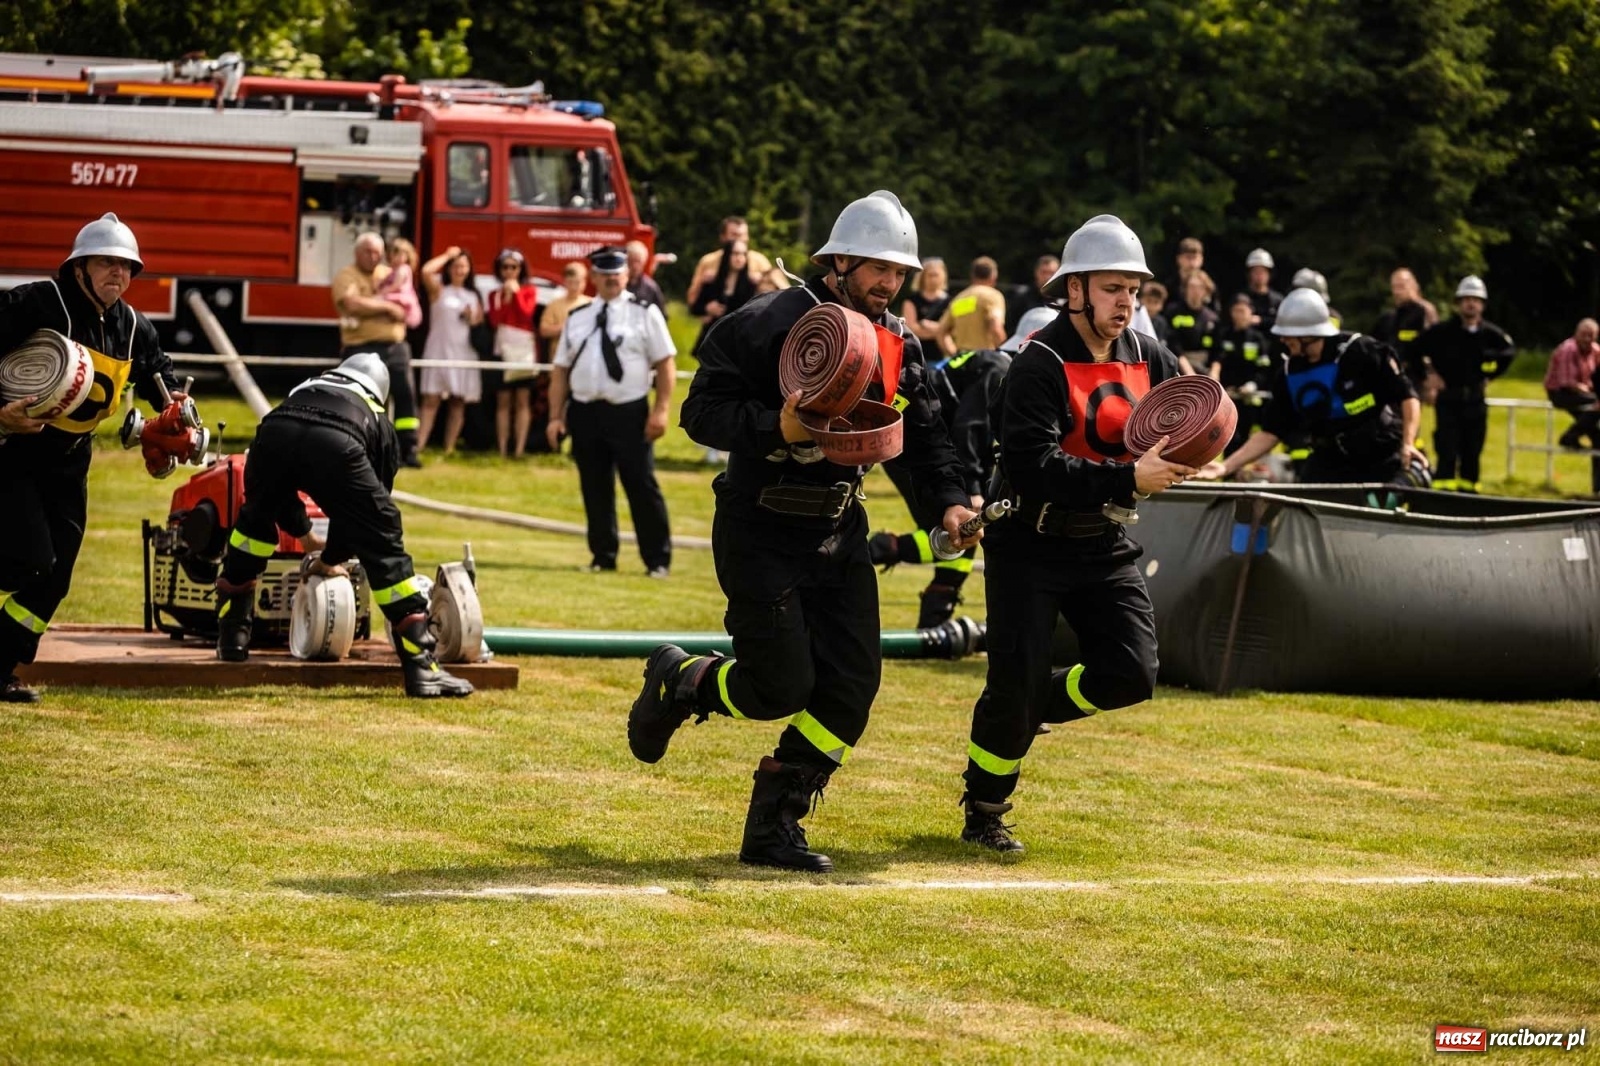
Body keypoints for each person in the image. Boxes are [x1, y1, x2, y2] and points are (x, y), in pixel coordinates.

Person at [629, 190, 979, 873]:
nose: (888, 284)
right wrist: (775, 427)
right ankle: (684, 680)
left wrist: (951, 506)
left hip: (840, 531)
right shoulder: (764, 322)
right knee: (778, 688)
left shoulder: (899, 342)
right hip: (759, 529)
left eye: (898, 273)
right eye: (877, 268)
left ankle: (775, 824)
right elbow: (701, 413)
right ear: (839, 258)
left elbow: (925, 439)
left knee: (852, 688)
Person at [958, 215, 1192, 854]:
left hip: (1103, 541)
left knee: (1132, 671)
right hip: (1030, 542)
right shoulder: (1037, 364)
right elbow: (1035, 467)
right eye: (1114, 288)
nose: (1127, 303)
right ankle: (984, 808)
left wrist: (1202, 439)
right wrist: (1128, 479)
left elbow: (1191, 409)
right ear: (1076, 289)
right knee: (1015, 678)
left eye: (1135, 291)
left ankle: (1034, 706)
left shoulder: (1153, 356)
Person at [213, 353, 473, 699]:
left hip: (273, 431)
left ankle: (232, 637)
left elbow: (281, 496)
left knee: (252, 527)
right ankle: (423, 668)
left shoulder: (305, 388)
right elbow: (364, 517)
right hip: (340, 441)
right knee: (383, 537)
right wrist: (332, 557)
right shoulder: (377, 416)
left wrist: (309, 539)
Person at [0, 213, 181, 703]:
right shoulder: (37, 302)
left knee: (55, 576)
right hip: (13, 453)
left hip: (70, 463)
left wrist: (179, 416)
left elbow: (161, 379)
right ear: (79, 266)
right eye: (106, 263)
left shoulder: (134, 328)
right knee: (28, 560)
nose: (117, 275)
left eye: (126, 267)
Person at [868, 311, 1025, 629]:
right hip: (920, 445)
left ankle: (934, 620)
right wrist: (973, 491)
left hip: (933, 446)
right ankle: (874, 551)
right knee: (955, 532)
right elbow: (969, 426)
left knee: (963, 536)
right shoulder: (1002, 370)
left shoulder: (1001, 366)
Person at [1199, 287, 1424, 484]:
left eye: (1289, 336)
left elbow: (1407, 395)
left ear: (1308, 335)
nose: (1283, 341)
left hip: (1380, 452)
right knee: (1306, 508)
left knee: (1396, 493)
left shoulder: (1362, 352)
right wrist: (1226, 466)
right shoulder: (1288, 374)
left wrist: (1408, 443)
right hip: (1331, 458)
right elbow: (1270, 432)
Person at [546, 247, 677, 576]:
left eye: (616, 274)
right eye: (604, 275)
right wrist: (555, 416)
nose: (611, 280)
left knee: (641, 485)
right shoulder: (579, 316)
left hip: (629, 411)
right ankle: (603, 556)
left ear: (625, 275)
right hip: (585, 411)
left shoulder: (644, 312)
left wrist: (661, 410)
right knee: (594, 486)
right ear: (593, 278)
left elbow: (665, 364)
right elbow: (560, 370)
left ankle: (657, 560)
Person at [1410, 276, 1516, 492]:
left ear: (1483, 304)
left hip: (1475, 401)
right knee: (1447, 450)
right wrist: (1428, 376)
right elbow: (1413, 351)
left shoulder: (1491, 334)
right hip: (1449, 399)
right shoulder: (1442, 332)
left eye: (1475, 299)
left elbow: (1509, 353)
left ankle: (1469, 497)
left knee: (1472, 452)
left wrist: (1491, 375)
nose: (1471, 304)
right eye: (1466, 299)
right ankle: (1443, 499)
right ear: (1458, 303)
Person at [332, 231, 421, 467]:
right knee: (361, 401)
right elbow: (351, 304)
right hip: (360, 348)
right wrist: (387, 308)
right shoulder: (346, 276)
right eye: (368, 252)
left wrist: (383, 307)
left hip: (396, 347)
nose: (374, 257)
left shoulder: (390, 273)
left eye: (378, 253)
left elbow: (405, 308)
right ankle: (361, 449)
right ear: (357, 253)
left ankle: (408, 449)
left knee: (406, 397)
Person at [416, 246, 484, 456]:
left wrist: (470, 316)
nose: (459, 270)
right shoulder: (439, 291)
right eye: (455, 266)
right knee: (431, 401)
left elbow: (478, 322)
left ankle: (448, 449)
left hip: (463, 352)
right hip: (439, 349)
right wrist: (447, 255)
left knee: (458, 402)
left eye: (463, 266)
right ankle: (417, 446)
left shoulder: (473, 295)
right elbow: (426, 271)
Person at [487, 248, 540, 458]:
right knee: (503, 401)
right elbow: (494, 320)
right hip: (503, 350)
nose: (509, 271)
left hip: (523, 351)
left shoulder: (529, 291)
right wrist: (506, 298)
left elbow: (527, 314)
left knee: (522, 400)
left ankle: (519, 449)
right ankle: (502, 448)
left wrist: (516, 294)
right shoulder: (495, 295)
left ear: (520, 269)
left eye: (513, 267)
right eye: (505, 267)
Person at [1209, 293, 1274, 454]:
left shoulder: (1258, 338)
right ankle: (1227, 473)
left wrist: (1252, 385)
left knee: (1246, 433)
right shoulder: (1224, 335)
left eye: (1243, 311)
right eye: (1237, 311)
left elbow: (1264, 368)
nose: (1240, 315)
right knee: (1227, 433)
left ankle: (1242, 472)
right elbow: (1216, 360)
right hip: (1228, 394)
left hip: (1249, 395)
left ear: (1251, 313)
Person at [1544, 318, 1600, 494]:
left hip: (1584, 393)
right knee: (1595, 403)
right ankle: (1570, 435)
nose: (1587, 339)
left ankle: (1597, 489)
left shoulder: (1596, 351)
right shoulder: (1568, 349)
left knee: (1598, 440)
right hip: (1561, 392)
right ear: (1576, 334)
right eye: (1584, 334)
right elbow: (1566, 381)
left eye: (1591, 335)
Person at [685, 216, 778, 309]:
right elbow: (692, 298)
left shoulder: (759, 261)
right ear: (723, 236)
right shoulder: (709, 261)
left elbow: (774, 296)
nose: (739, 239)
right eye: (734, 235)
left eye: (743, 235)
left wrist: (761, 282)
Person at [689, 239, 760, 354]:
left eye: (743, 254)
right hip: (713, 340)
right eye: (735, 253)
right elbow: (694, 308)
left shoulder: (751, 285)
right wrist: (707, 308)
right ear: (727, 255)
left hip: (738, 342)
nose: (739, 258)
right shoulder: (712, 281)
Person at [1373, 267, 1439, 388]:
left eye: (1401, 286)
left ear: (1413, 286)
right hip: (1393, 377)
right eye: (1394, 287)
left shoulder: (1424, 311)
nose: (1397, 292)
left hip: (1418, 378)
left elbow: (1435, 347)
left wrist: (1432, 377)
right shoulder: (1390, 317)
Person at [938, 256, 1008, 355]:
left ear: (972, 275)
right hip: (986, 359)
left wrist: (953, 354)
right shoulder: (993, 296)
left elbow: (941, 332)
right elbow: (996, 327)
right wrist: (1004, 353)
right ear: (993, 276)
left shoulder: (959, 298)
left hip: (963, 358)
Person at [1165, 271, 1220, 371]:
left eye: (1200, 287)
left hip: (1204, 367)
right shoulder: (1173, 312)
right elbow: (1172, 343)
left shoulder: (1212, 317)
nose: (1195, 291)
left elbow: (1217, 350)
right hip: (1178, 365)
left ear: (1206, 291)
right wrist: (1188, 372)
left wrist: (1214, 373)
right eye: (1192, 286)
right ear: (1185, 289)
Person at [539, 261, 592, 363]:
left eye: (577, 282)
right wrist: (567, 327)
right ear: (564, 282)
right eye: (570, 282)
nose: (574, 286)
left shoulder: (591, 304)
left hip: (584, 359)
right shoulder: (554, 305)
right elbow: (544, 330)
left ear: (584, 282)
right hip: (560, 360)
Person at [902, 256, 954, 359]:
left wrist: (930, 326)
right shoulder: (912, 301)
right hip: (917, 356)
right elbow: (912, 329)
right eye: (930, 275)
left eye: (936, 275)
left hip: (943, 357)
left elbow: (954, 329)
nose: (933, 279)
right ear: (922, 277)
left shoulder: (950, 302)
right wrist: (941, 331)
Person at [1004, 254, 1060, 333]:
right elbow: (1010, 328)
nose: (1047, 277)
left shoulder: (1065, 299)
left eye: (1051, 273)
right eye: (1044, 272)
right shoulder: (1021, 298)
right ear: (1036, 272)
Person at [377, 237, 423, 330]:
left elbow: (396, 285)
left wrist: (383, 291)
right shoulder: (393, 270)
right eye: (396, 255)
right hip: (397, 296)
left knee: (378, 299)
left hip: (401, 296)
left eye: (402, 255)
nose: (399, 258)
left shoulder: (403, 269)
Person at [1243, 247, 1284, 332]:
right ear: (1249, 274)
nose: (1259, 275)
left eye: (1263, 271)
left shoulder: (1278, 300)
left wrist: (1261, 321)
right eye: (1255, 271)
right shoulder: (1241, 298)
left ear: (1269, 274)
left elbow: (1283, 323)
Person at [624, 240, 666, 312]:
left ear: (644, 262)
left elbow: (662, 315)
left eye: (638, 261)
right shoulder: (617, 285)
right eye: (631, 261)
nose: (634, 266)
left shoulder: (651, 287)